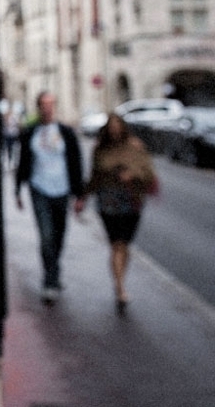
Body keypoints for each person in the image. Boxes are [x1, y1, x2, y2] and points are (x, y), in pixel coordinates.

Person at [74, 114, 157, 315]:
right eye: (110, 127)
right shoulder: (100, 148)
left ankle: (120, 280)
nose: (114, 130)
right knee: (116, 244)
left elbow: (148, 172)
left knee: (124, 244)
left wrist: (132, 174)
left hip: (131, 200)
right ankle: (120, 287)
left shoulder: (135, 146)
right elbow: (95, 176)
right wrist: (83, 196)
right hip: (108, 201)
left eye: (117, 126)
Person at [15, 91, 85, 304]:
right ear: (38, 107)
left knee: (59, 233)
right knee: (46, 236)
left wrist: (79, 194)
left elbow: (75, 163)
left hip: (62, 189)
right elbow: (23, 161)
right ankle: (50, 280)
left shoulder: (65, 132)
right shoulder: (30, 133)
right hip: (39, 188)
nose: (47, 108)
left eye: (51, 104)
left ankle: (54, 268)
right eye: (44, 104)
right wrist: (17, 189)